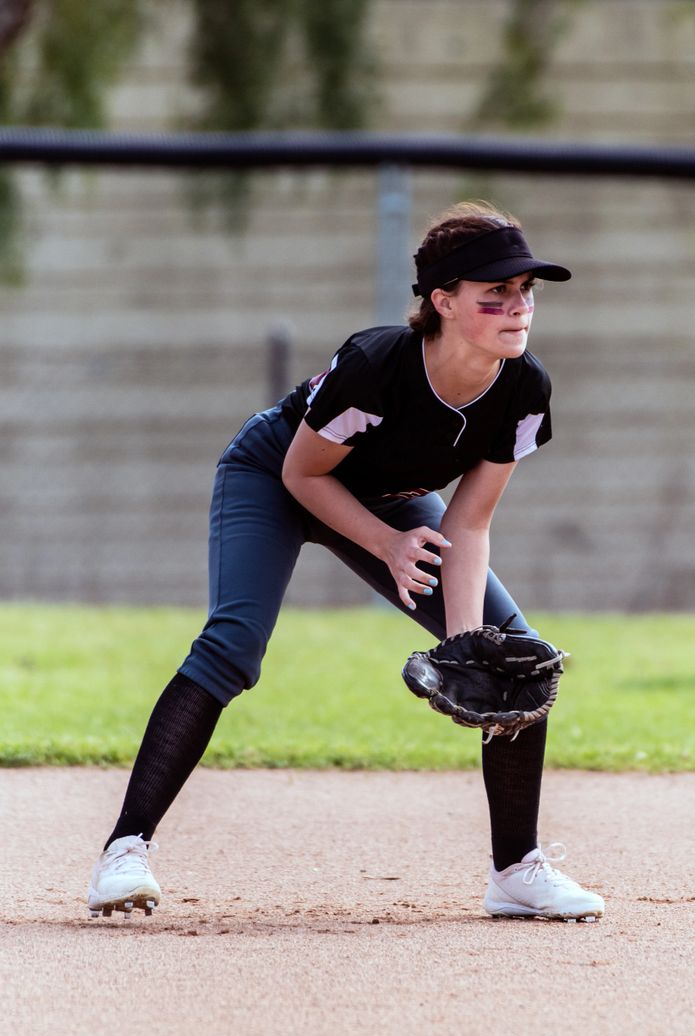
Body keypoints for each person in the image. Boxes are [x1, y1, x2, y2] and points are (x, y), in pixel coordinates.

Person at [87, 201, 604, 923]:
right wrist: (388, 543)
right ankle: (124, 850)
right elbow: (304, 476)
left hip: (391, 498)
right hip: (275, 477)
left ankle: (515, 869)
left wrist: (463, 647)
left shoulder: (523, 388)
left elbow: (468, 521)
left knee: (514, 656)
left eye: (526, 292)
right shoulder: (378, 364)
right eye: (496, 294)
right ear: (443, 301)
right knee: (234, 644)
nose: (518, 307)